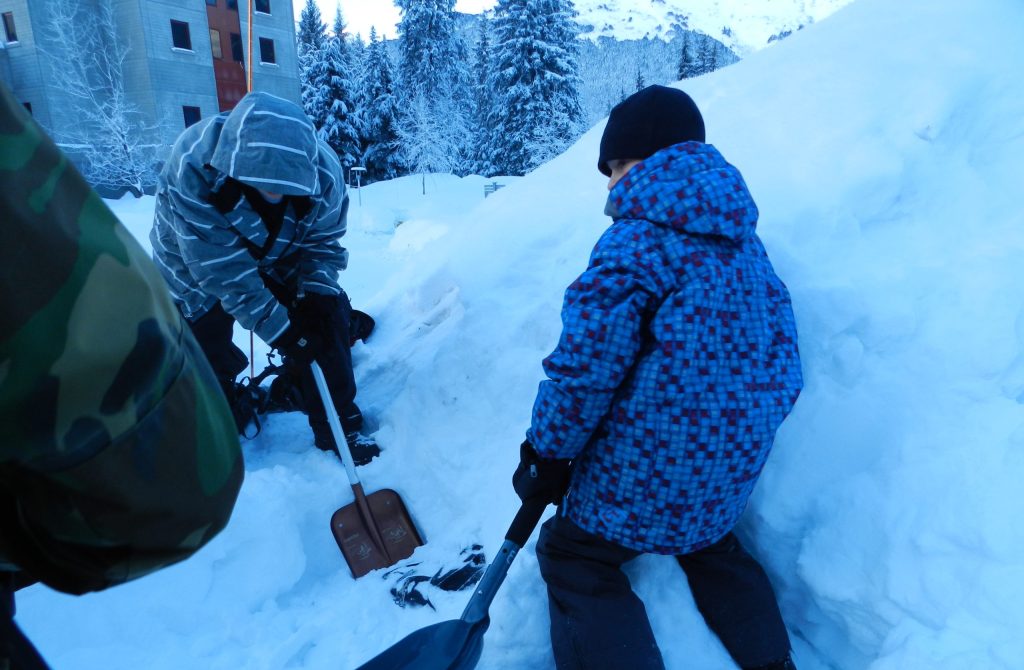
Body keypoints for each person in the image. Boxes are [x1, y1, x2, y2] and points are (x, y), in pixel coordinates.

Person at [512, 85, 804, 670]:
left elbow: (585, 370)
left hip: (645, 472)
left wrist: (545, 453)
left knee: (573, 555)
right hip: (731, 468)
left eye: (616, 166)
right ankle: (776, 665)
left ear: (650, 159)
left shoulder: (634, 243)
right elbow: (785, 362)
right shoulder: (748, 246)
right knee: (711, 543)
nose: (612, 185)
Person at [0, 82, 244, 668]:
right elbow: (224, 272)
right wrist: (284, 326)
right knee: (216, 340)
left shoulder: (318, 180)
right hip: (187, 291)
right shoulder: (193, 173)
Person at [149, 91, 379, 465]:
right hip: (192, 258)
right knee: (200, 340)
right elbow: (224, 274)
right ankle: (223, 401)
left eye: (290, 189)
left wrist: (315, 299)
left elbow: (322, 243)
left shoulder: (324, 174)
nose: (278, 195)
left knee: (324, 322)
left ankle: (336, 421)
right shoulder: (193, 165)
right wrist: (284, 332)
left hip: (285, 250)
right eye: (267, 186)